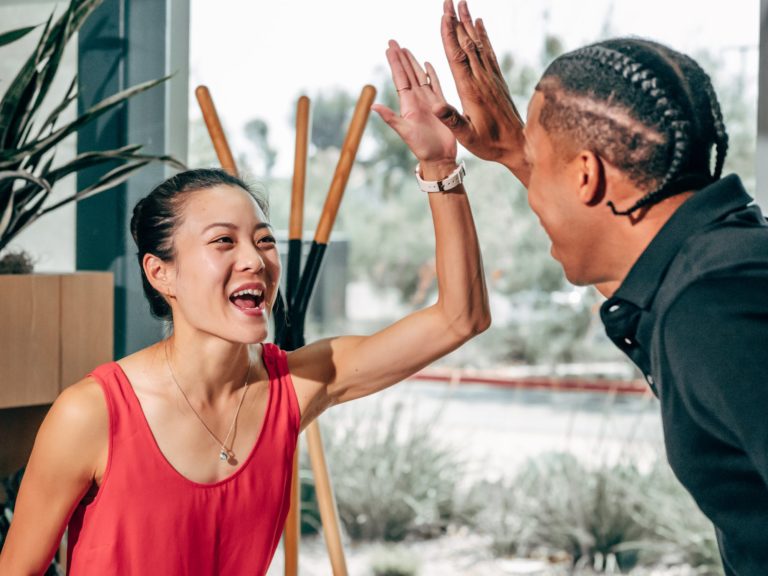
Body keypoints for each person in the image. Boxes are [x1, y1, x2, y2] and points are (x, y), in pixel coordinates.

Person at [0, 42, 490, 575]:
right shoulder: (90, 414)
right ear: (160, 272)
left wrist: (441, 167)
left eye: (263, 239)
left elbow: (460, 318)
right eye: (223, 242)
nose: (254, 259)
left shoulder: (295, 388)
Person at [423, 1, 768, 574]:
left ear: (586, 175)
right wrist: (519, 151)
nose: (532, 190)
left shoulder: (714, 308)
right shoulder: (717, 262)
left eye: (537, 161)